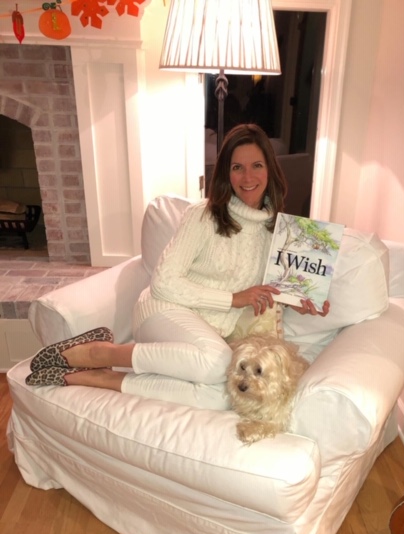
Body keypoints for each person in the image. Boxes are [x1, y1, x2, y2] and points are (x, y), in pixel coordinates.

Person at [26, 124, 329, 407]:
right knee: (219, 363)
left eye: (256, 166)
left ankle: (105, 377)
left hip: (204, 333)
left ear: (270, 170)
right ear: (226, 173)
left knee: (221, 395)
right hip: (163, 310)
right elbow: (164, 282)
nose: (248, 177)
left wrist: (300, 301)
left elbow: (270, 288)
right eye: (237, 167)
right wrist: (234, 298)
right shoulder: (203, 215)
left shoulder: (279, 232)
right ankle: (103, 353)